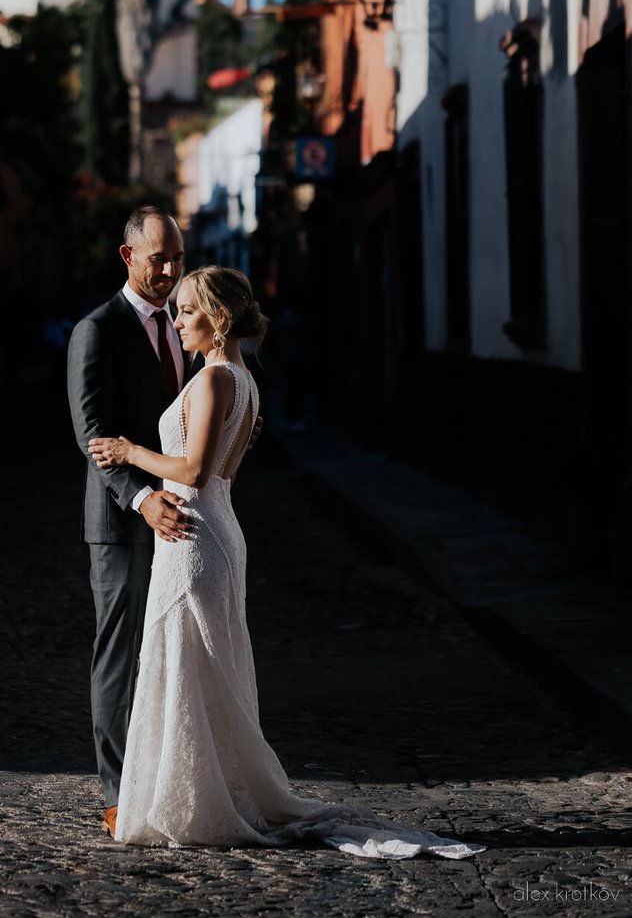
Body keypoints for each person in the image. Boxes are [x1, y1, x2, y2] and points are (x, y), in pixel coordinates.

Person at [89, 266, 485, 859]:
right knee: (203, 672)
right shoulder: (242, 380)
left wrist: (129, 451)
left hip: (196, 537)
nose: (177, 320)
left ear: (217, 318)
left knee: (192, 670)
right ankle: (189, 790)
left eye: (187, 310)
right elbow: (224, 473)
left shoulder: (215, 380)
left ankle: (195, 800)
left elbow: (196, 473)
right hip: (215, 529)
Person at [67, 207, 193, 840]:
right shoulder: (98, 330)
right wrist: (142, 498)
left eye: (177, 257)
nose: (170, 269)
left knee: (167, 652)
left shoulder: (180, 327)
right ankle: (117, 791)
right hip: (122, 521)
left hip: (182, 518)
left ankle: (165, 776)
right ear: (128, 257)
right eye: (157, 258)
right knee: (118, 654)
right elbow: (93, 436)